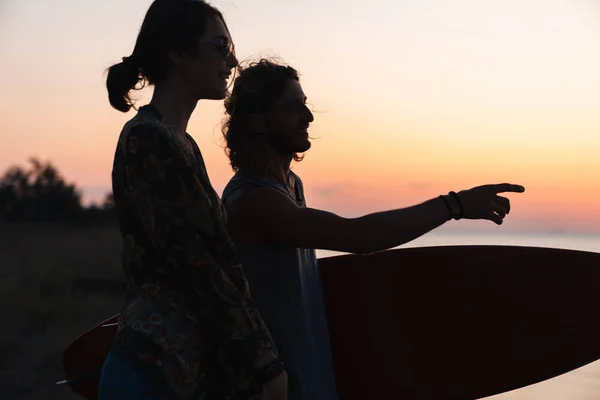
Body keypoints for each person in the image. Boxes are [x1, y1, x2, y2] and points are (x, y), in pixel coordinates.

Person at [220, 59, 526, 400]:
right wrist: (453, 205)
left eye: (305, 105)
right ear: (257, 121)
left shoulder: (290, 186)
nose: (308, 117)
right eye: (294, 107)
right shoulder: (253, 200)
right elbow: (360, 236)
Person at [99, 2, 287, 400]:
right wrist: (263, 358)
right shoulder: (147, 139)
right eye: (220, 47)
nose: (232, 61)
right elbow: (195, 264)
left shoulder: (183, 144)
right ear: (178, 53)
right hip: (153, 370)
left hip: (183, 370)